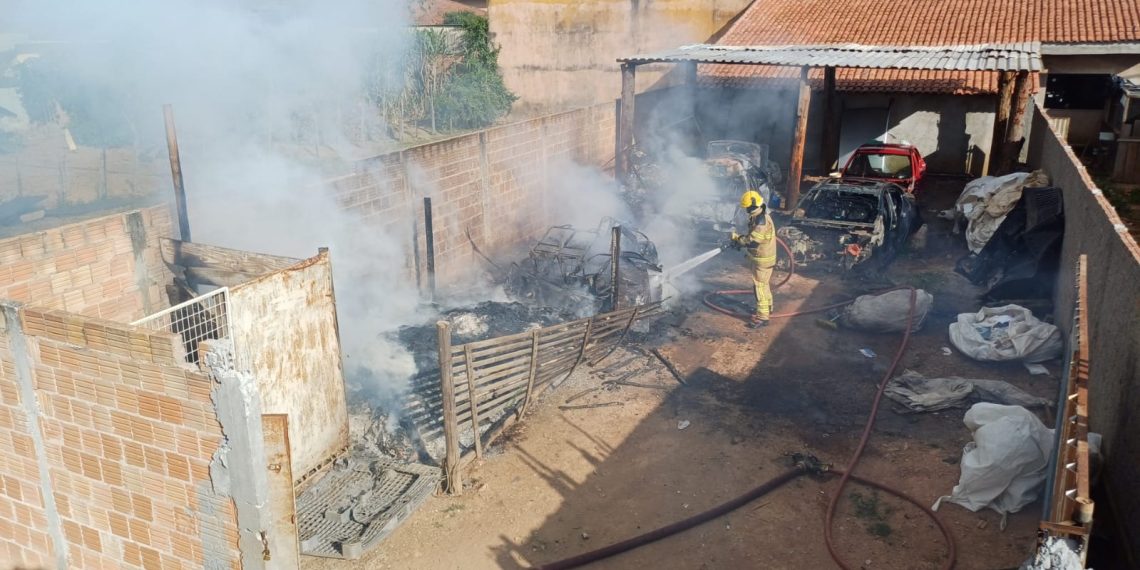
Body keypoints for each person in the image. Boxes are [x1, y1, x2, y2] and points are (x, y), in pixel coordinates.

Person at [730, 190, 777, 328]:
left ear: (752, 206)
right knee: (764, 284)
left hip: (762, 259)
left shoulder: (761, 222)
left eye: (747, 208)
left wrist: (738, 239)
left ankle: (762, 317)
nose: (746, 210)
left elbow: (753, 242)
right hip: (764, 257)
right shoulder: (760, 216)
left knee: (759, 287)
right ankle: (768, 307)